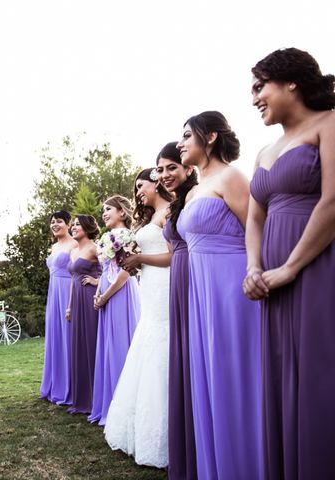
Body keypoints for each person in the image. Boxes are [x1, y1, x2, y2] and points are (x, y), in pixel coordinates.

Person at [245, 48, 335, 480]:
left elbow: (333, 202)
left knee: (319, 377)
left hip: (318, 266)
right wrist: (253, 269)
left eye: (259, 86)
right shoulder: (264, 151)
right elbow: (254, 216)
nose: (254, 98)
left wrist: (292, 266)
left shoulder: (330, 124)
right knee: (282, 382)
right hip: (271, 281)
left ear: (291, 82)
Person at [176, 111, 262, 479]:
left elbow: (258, 229)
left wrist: (254, 274)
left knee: (235, 373)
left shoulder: (233, 176)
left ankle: (249, 462)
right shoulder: (194, 189)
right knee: (211, 375)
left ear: (209, 137)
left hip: (231, 288)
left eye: (186, 136)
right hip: (201, 289)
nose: (180, 143)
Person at [104, 169, 172, 466]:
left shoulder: (170, 211)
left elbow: (174, 254)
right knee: (148, 344)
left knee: (162, 344)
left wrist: (140, 258)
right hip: (150, 284)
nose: (138, 191)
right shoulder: (148, 217)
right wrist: (132, 261)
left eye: (141, 185)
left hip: (167, 285)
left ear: (156, 182)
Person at [156, 141, 199, 479]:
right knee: (182, 356)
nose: (165, 174)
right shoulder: (174, 206)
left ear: (187, 167)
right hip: (178, 277)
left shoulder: (200, 194)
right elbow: (172, 252)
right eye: (160, 169)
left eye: (171, 167)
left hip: (197, 274)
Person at [88, 196, 140, 426]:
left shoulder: (129, 237)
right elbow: (105, 270)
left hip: (121, 294)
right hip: (106, 293)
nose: (104, 213)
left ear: (122, 212)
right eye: (103, 211)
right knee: (108, 347)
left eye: (108, 209)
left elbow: (126, 272)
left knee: (120, 345)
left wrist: (106, 296)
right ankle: (108, 403)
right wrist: (98, 294)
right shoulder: (103, 239)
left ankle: (124, 405)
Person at [40, 210, 77, 405]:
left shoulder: (74, 244)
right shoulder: (54, 247)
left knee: (67, 337)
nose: (55, 224)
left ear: (69, 224)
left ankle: (71, 387)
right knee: (55, 337)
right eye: (52, 222)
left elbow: (76, 273)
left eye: (59, 221)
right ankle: (55, 384)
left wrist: (71, 304)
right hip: (53, 293)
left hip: (67, 293)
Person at [66, 215, 101, 415]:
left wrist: (98, 282)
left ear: (87, 228)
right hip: (77, 302)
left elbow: (115, 269)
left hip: (91, 300)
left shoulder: (95, 248)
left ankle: (95, 398)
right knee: (78, 346)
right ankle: (81, 399)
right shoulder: (73, 251)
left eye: (78, 224)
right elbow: (73, 280)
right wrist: (69, 306)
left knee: (91, 344)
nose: (74, 228)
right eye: (73, 225)